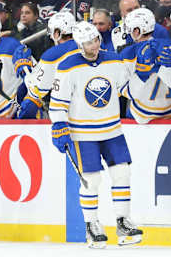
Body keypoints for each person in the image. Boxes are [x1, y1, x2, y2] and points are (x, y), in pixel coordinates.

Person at [49, 21, 143, 248]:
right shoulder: (67, 66)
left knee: (122, 173)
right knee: (91, 180)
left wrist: (143, 73)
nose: (94, 46)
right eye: (88, 43)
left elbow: (127, 90)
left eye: (96, 41)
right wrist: (59, 125)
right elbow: (57, 103)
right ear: (80, 45)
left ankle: (123, 221)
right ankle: (92, 226)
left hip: (112, 130)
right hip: (83, 134)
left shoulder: (113, 60)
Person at [119, 8, 171, 123]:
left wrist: (143, 74)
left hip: (144, 117)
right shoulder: (170, 45)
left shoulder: (129, 53)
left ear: (137, 31)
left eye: (131, 30)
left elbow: (127, 92)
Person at [14, 11, 78, 119]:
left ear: (57, 33)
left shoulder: (53, 55)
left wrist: (25, 68)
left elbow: (36, 92)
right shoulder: (93, 46)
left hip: (68, 117)